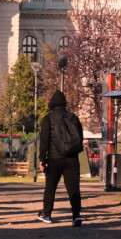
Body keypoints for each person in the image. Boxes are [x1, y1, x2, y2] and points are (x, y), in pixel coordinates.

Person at [37, 90, 84, 226]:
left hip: (54, 158)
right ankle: (76, 215)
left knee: (50, 187)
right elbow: (79, 137)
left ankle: (47, 215)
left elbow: (44, 141)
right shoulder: (73, 117)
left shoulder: (48, 119)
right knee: (73, 189)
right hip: (72, 159)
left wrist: (42, 159)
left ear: (51, 104)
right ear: (64, 103)